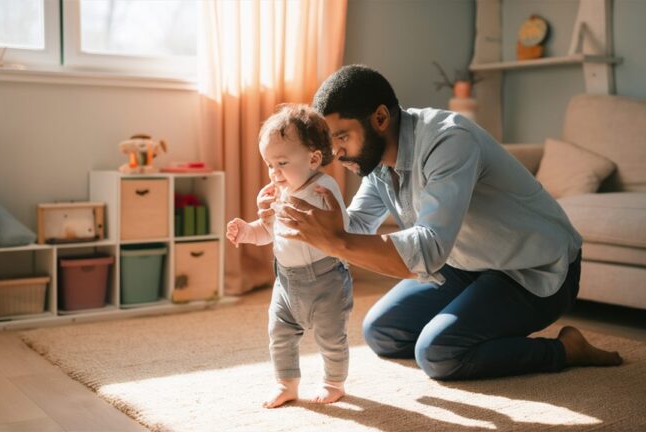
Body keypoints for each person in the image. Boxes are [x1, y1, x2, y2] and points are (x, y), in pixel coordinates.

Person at [265, 65, 623, 381]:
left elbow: (428, 247)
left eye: (342, 136)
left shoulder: (448, 140)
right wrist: (295, 215)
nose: (336, 152)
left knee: (438, 353)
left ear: (380, 118)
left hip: (533, 268)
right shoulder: (374, 162)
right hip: (466, 261)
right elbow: (355, 227)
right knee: (382, 332)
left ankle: (566, 350)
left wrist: (334, 241)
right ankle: (481, 320)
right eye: (330, 141)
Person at [226, 104, 353, 408]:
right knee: (279, 333)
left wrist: (293, 203)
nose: (274, 173)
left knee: (331, 338)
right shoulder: (279, 193)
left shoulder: (323, 188)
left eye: (281, 162)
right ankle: (286, 383)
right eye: (269, 164)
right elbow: (270, 232)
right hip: (286, 281)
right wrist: (248, 231)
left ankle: (334, 382)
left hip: (326, 280)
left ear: (313, 159)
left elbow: (339, 227)